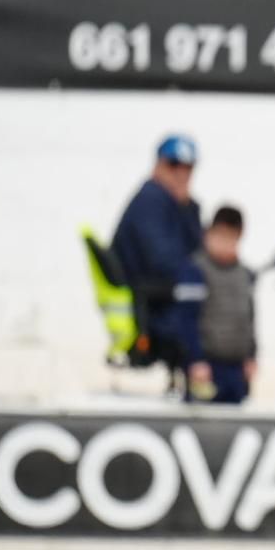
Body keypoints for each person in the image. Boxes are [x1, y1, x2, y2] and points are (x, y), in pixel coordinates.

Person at [111, 135, 203, 374]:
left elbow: (200, 250)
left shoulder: (174, 204)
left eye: (188, 167)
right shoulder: (150, 201)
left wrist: (187, 207)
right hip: (155, 305)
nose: (181, 174)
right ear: (158, 165)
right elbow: (164, 261)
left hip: (164, 297)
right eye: (173, 165)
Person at [169, 206, 257, 404]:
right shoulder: (194, 271)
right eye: (220, 236)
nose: (225, 244)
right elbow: (186, 320)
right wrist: (195, 360)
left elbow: (249, 318)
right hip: (207, 368)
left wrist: (251, 356)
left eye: (231, 238)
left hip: (236, 370)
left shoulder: (245, 274)